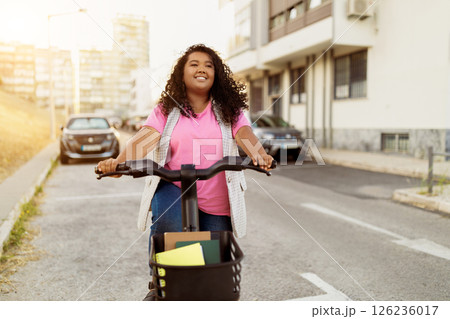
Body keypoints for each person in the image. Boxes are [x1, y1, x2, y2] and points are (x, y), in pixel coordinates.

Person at [97, 44, 273, 300]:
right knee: (169, 230)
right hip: (175, 187)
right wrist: (119, 162)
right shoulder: (166, 110)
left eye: (208, 65)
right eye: (194, 64)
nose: (202, 68)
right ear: (181, 74)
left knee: (215, 265)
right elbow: (145, 138)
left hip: (217, 198)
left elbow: (244, 133)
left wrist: (259, 153)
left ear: (217, 75)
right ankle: (159, 286)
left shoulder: (229, 110)